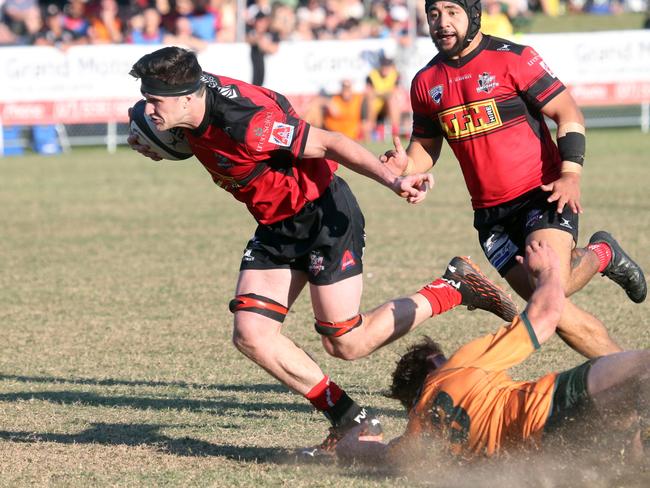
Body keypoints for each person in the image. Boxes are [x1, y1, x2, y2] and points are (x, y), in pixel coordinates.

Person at [127, 46, 518, 459]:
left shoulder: (248, 125)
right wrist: (160, 140)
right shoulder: (190, 96)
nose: (148, 109)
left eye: (155, 102)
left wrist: (393, 181)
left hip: (321, 215)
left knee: (346, 342)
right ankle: (351, 419)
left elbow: (330, 142)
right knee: (252, 335)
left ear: (189, 95)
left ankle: (453, 286)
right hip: (276, 223)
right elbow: (199, 127)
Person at [381, 0, 647, 360]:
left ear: (473, 15)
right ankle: (604, 258)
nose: (442, 22)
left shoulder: (514, 58)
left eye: (452, 12)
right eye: (434, 14)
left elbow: (567, 112)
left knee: (549, 293)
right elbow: (426, 147)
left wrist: (571, 174)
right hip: (492, 218)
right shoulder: (426, 82)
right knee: (554, 307)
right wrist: (406, 164)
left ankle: (629, 381)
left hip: (543, 193)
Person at [337, 240, 649, 463]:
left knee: (628, 448)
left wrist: (354, 447)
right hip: (551, 405)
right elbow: (543, 319)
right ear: (435, 361)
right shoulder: (454, 370)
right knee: (642, 370)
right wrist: (550, 272)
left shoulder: (420, 436)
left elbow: (381, 455)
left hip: (548, 455)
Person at [364, 55, 403, 141]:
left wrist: (379, 93)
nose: (385, 68)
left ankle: (395, 135)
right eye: (384, 66)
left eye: (387, 66)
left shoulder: (395, 75)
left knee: (392, 101)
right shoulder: (372, 75)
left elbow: (396, 93)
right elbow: (369, 93)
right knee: (371, 101)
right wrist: (386, 93)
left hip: (388, 106)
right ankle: (369, 135)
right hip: (375, 106)